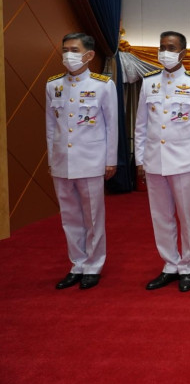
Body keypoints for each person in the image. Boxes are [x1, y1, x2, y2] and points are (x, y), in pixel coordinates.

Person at [134, 31, 190, 292]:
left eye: (170, 47)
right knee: (160, 216)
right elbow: (141, 125)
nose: (164, 52)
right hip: (154, 160)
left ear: (183, 53)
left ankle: (187, 267)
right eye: (161, 47)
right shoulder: (149, 82)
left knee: (187, 216)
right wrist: (140, 160)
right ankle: (170, 264)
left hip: (184, 162)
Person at [47, 33, 117, 290]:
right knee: (69, 217)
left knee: (93, 217)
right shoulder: (53, 85)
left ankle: (93, 265)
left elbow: (111, 125)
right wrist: (52, 158)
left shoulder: (102, 85)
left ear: (89, 55)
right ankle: (77, 264)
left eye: (74, 50)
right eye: (65, 49)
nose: (68, 55)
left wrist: (110, 160)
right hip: (62, 161)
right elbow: (50, 126)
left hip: (91, 160)